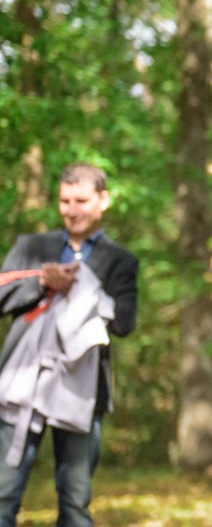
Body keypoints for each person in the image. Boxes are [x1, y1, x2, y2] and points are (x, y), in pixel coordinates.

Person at [0, 163, 139, 527]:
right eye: (65, 201)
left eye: (81, 200)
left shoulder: (121, 260)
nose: (72, 209)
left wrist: (85, 294)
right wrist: (42, 283)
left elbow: (124, 323)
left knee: (75, 501)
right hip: (21, 385)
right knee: (2, 495)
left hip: (83, 391)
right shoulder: (32, 246)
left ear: (102, 200)